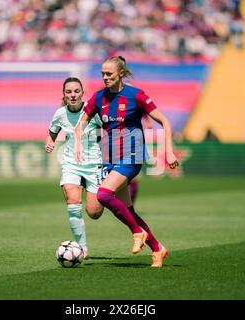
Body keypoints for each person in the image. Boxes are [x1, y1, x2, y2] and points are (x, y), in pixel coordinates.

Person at [74, 56, 179, 268]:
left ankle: (137, 232)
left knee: (104, 194)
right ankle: (158, 249)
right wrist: (77, 142)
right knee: (125, 210)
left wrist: (169, 152)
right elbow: (80, 123)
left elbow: (165, 122)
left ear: (121, 73)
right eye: (102, 74)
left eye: (109, 74)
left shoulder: (135, 95)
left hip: (132, 155)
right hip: (109, 158)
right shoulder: (98, 97)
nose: (105, 77)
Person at [46, 77, 104, 259]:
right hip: (71, 163)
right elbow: (52, 132)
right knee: (72, 203)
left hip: (94, 164)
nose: (73, 95)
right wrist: (50, 143)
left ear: (82, 93)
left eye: (76, 91)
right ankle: (82, 248)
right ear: (64, 94)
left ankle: (107, 191)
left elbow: (110, 128)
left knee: (94, 212)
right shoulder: (60, 114)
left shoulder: (92, 111)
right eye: (69, 92)